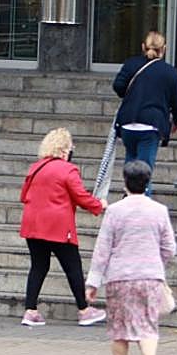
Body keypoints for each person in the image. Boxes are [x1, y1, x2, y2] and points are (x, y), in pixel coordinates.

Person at [86, 160, 176, 355]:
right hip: (150, 277)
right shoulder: (159, 211)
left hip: (120, 278)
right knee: (148, 327)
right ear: (147, 183)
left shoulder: (115, 211)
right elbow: (170, 248)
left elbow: (103, 248)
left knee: (119, 330)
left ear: (125, 182)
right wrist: (156, 263)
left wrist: (93, 282)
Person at [18, 128, 107, 328]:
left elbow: (23, 196)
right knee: (72, 267)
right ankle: (84, 310)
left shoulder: (35, 168)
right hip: (58, 226)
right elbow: (80, 196)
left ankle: (30, 310)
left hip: (33, 224)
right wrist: (99, 205)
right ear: (65, 149)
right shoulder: (68, 170)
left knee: (38, 266)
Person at [111, 30, 177, 196]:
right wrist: (176, 121)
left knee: (131, 165)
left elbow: (118, 86)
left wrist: (131, 95)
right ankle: (142, 212)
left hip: (128, 123)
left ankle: (128, 202)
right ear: (163, 49)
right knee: (144, 172)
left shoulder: (131, 64)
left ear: (143, 46)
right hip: (151, 125)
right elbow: (176, 103)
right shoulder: (169, 72)